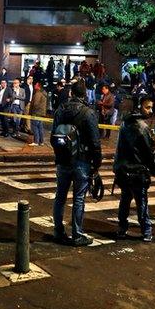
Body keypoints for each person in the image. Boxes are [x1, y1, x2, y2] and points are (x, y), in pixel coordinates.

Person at [50, 80, 102, 246]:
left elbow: (53, 136)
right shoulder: (88, 113)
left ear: (71, 93)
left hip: (63, 160)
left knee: (60, 197)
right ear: (85, 94)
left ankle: (58, 231)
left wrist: (61, 152)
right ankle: (77, 235)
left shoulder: (60, 110)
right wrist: (96, 163)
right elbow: (95, 142)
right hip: (82, 160)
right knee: (79, 198)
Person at [113, 97, 155, 241]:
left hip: (123, 170)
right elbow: (148, 153)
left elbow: (118, 149)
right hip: (138, 171)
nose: (150, 110)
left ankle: (122, 228)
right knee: (141, 203)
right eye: (147, 107)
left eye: (151, 107)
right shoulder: (143, 128)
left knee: (125, 201)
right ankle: (146, 231)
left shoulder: (124, 124)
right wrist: (154, 170)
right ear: (139, 107)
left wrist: (116, 167)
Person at [28, 82, 48, 146]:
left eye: (35, 85)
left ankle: (36, 141)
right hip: (41, 113)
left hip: (36, 113)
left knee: (35, 127)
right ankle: (41, 141)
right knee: (40, 127)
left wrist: (31, 112)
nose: (34, 85)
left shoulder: (38, 94)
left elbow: (35, 104)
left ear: (38, 86)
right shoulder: (43, 93)